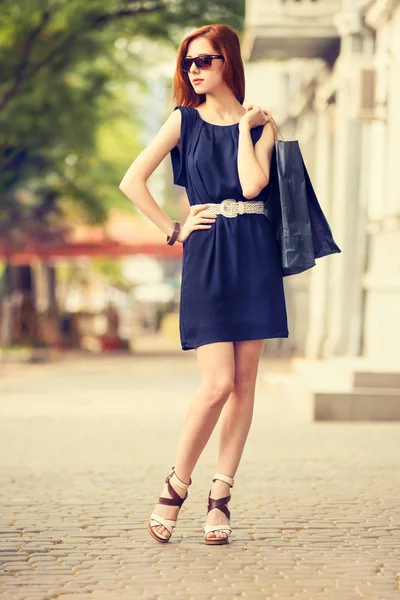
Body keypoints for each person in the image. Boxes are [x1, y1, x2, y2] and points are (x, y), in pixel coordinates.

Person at [119, 23, 289, 545]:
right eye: (188, 61)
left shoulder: (260, 124)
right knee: (217, 384)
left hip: (254, 254)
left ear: (227, 64)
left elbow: (252, 184)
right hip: (210, 252)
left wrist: (244, 131)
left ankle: (222, 496)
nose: (193, 69)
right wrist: (172, 229)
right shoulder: (182, 121)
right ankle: (176, 485)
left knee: (244, 384)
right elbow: (132, 180)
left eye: (204, 60)